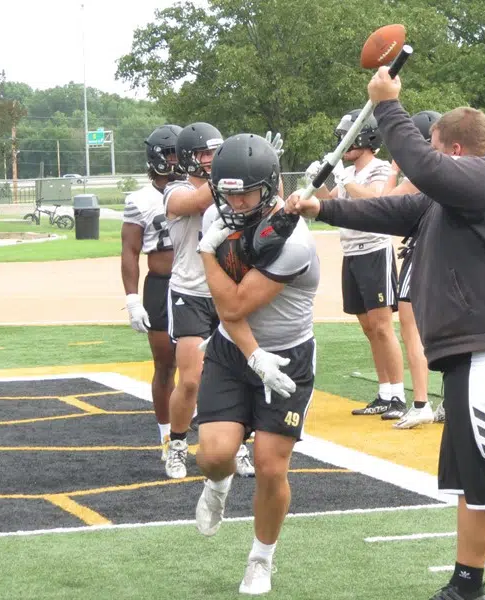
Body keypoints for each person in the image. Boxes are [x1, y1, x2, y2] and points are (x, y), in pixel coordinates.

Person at [286, 69, 485, 600]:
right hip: (475, 355)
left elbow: (424, 171)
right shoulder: (452, 196)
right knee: (478, 479)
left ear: (452, 149)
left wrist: (387, 106)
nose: (423, 164)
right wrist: (322, 207)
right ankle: (465, 584)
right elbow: (394, 208)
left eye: (432, 152)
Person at [193, 133, 319, 595]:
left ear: (271, 187)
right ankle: (219, 486)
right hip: (233, 351)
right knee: (214, 455)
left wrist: (206, 252)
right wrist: (250, 354)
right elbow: (227, 316)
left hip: (286, 355)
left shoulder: (295, 242)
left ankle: (260, 559)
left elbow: (237, 303)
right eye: (227, 192)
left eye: (245, 192)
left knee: (269, 465)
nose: (235, 202)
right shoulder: (215, 215)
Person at [162, 122, 254, 480]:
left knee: (241, 374)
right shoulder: (176, 191)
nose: (213, 160)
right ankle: (178, 443)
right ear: (188, 159)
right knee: (190, 379)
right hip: (190, 292)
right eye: (206, 154)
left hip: (227, 292)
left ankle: (239, 444)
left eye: (217, 153)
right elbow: (199, 201)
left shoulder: (232, 189)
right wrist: (239, 174)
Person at [304, 109, 406, 420]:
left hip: (374, 251)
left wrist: (347, 180)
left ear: (366, 139)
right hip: (352, 252)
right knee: (367, 327)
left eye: (347, 139)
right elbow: (333, 202)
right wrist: (317, 181)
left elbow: (375, 200)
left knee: (382, 326)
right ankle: (384, 391)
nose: (342, 145)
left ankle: (398, 395)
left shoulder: (377, 168)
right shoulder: (350, 174)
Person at [381, 110, 444, 428]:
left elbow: (385, 204)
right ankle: (450, 400)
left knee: (411, 328)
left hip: (423, 254)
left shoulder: (420, 176)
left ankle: (421, 402)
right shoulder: (454, 170)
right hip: (455, 256)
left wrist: (394, 170)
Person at [121, 124, 179, 460]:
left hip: (197, 284)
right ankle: (167, 438)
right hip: (160, 285)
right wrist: (131, 298)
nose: (178, 160)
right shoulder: (140, 200)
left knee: (205, 363)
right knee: (164, 364)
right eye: (172, 154)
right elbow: (129, 250)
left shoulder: (198, 190)